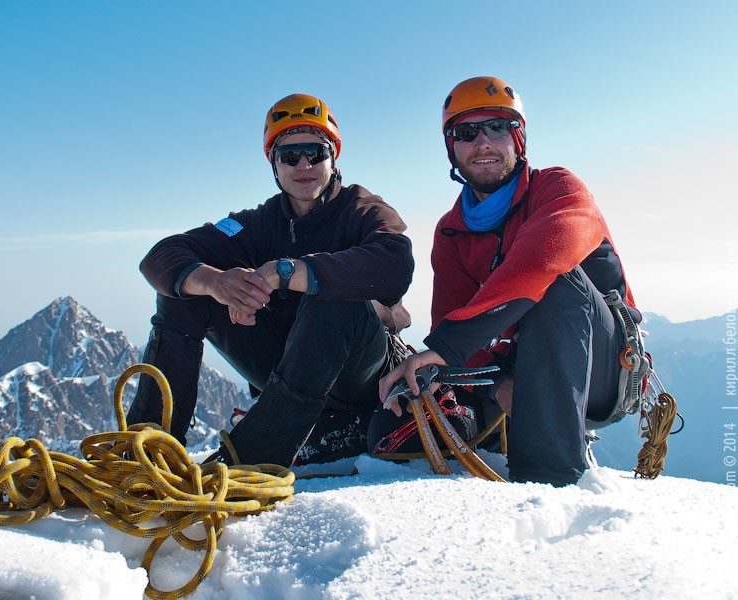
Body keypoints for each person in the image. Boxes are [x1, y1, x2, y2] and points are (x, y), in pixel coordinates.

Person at [376, 76, 640, 486]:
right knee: (394, 422)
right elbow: (453, 315)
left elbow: (540, 261)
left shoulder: (558, 189)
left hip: (604, 372)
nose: (483, 142)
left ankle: (548, 485)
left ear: (519, 139)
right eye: (465, 132)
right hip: (517, 366)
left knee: (557, 278)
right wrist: (498, 384)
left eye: (498, 127)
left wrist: (447, 345)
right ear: (452, 148)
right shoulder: (451, 231)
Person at [128, 93, 414, 467]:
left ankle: (249, 459)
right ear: (273, 163)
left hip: (360, 375)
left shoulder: (361, 209)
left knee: (334, 295)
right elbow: (163, 255)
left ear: (334, 156)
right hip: (286, 367)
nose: (304, 164)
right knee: (184, 291)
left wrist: (291, 272)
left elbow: (395, 264)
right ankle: (147, 450)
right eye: (289, 155)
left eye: (316, 151)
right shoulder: (258, 223)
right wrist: (215, 282)